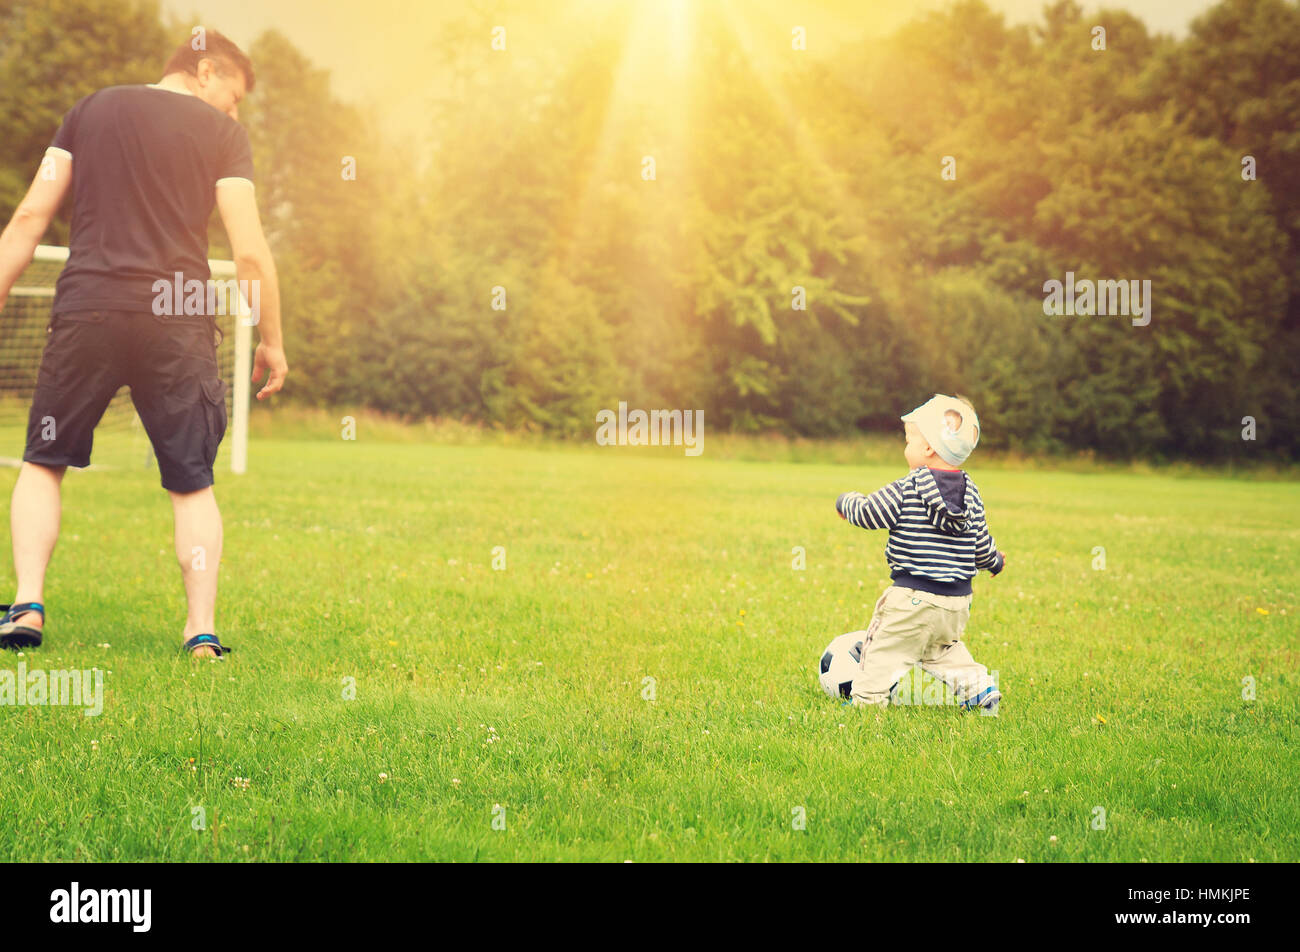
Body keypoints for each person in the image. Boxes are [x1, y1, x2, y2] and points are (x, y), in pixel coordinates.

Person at [0, 29, 287, 658]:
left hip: (89, 309)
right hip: (177, 317)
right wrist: (272, 339)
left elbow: (27, 220)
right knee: (192, 480)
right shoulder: (223, 136)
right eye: (233, 97)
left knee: (44, 462)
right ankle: (201, 633)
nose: (234, 113)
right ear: (205, 70)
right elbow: (247, 253)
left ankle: (27, 607)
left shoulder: (89, 111)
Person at [835, 394, 1006, 713]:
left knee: (881, 652)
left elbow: (869, 513)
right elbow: (981, 545)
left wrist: (846, 502)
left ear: (928, 448)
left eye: (909, 439)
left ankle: (866, 704)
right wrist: (994, 561)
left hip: (912, 598)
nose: (906, 447)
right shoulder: (972, 494)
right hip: (955, 604)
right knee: (943, 652)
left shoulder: (908, 487)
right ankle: (981, 690)